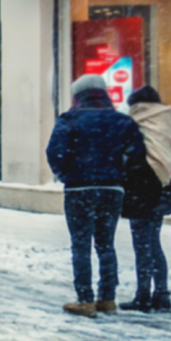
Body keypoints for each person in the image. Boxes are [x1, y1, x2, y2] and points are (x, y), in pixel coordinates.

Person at [46, 74, 147, 317]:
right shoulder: (122, 121)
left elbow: (54, 152)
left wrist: (66, 173)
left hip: (79, 188)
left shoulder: (69, 120)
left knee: (81, 245)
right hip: (112, 189)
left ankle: (85, 299)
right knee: (106, 244)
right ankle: (107, 298)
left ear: (78, 95)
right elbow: (138, 155)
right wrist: (118, 172)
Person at [122, 86, 171, 313]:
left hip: (142, 187)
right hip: (164, 185)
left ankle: (143, 296)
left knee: (143, 245)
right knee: (154, 242)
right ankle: (162, 295)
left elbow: (131, 155)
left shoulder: (136, 123)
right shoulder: (163, 120)